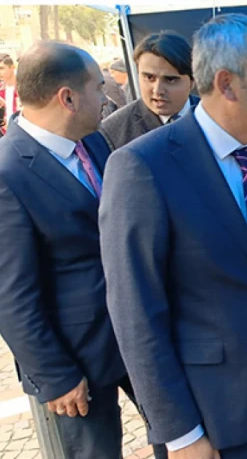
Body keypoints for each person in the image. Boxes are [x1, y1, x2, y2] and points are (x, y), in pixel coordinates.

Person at [100, 13, 247, 459]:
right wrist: (180, 433)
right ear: (227, 84)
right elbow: (135, 312)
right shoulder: (143, 166)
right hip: (213, 419)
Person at [0, 42, 164, 459]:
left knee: (176, 435)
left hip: (136, 334)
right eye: (98, 87)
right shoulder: (8, 172)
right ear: (67, 98)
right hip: (76, 360)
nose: (107, 96)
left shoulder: (93, 141)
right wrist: (54, 375)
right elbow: (12, 293)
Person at [100, 32, 198, 150]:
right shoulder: (114, 131)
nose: (158, 90)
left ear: (193, 80)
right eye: (149, 78)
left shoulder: (214, 115)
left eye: (170, 80)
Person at [0, 54, 19, 131]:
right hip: (6, 134)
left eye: (1, 68)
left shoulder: (24, 87)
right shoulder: (1, 89)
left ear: (12, 67)